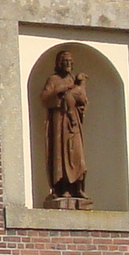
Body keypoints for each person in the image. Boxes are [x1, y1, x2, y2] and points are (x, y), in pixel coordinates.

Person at [41, 55, 90, 209]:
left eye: (70, 62)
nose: (68, 64)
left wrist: (80, 88)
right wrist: (60, 91)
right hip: (59, 122)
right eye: (65, 62)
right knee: (60, 154)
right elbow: (44, 98)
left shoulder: (72, 79)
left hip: (73, 122)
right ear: (59, 63)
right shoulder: (53, 80)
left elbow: (82, 99)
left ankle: (77, 187)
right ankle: (62, 188)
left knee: (76, 154)